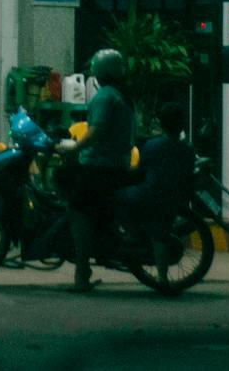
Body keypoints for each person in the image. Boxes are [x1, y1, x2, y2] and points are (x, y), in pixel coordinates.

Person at [63, 48, 135, 293]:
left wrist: (74, 148)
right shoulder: (121, 95)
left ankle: (82, 273)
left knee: (77, 209)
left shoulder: (105, 96)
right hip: (116, 165)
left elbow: (96, 131)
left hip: (101, 166)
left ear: (99, 71)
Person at [118, 97, 196, 255]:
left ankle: (131, 233)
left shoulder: (152, 145)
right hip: (171, 199)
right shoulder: (187, 150)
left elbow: (140, 171)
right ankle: (162, 277)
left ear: (161, 124)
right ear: (182, 125)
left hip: (149, 194)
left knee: (117, 196)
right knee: (160, 237)